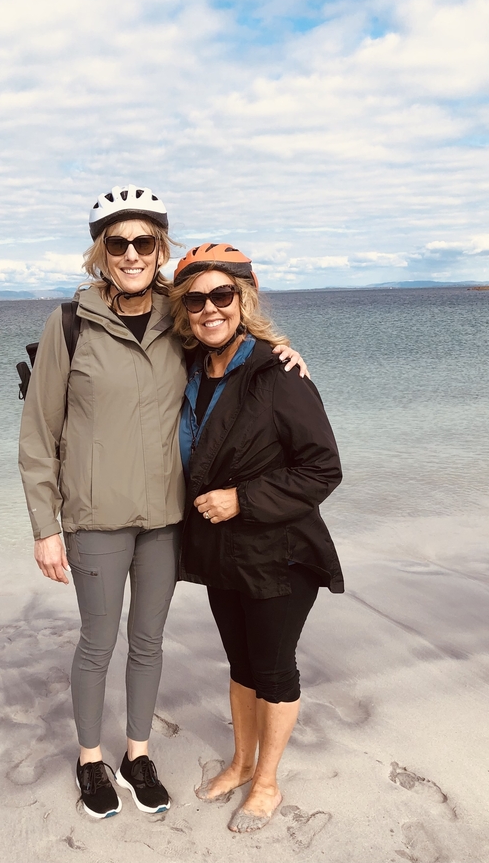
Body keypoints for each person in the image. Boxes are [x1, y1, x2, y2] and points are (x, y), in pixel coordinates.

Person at [18, 188, 307, 819]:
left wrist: (282, 351)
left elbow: (228, 337)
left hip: (164, 519)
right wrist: (45, 526)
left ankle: (137, 754)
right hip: (94, 517)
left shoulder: (175, 322)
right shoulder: (69, 323)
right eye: (117, 242)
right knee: (98, 641)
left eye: (143, 242)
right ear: (101, 252)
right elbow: (39, 435)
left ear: (159, 250)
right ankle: (90, 761)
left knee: (147, 641)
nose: (130, 253)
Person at [170, 243, 344, 834]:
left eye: (222, 296)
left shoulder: (277, 372)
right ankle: (241, 762)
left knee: (273, 670)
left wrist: (243, 499)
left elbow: (322, 468)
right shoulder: (191, 367)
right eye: (195, 300)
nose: (209, 309)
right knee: (240, 664)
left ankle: (267, 780)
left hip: (281, 551)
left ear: (243, 300)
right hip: (224, 553)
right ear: (183, 310)